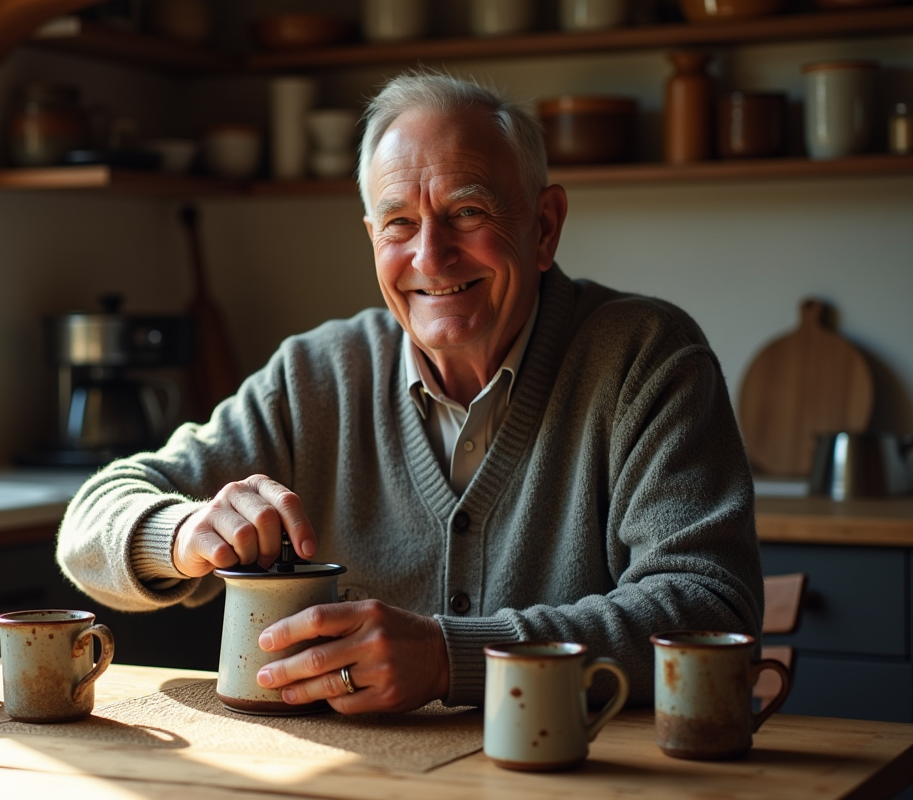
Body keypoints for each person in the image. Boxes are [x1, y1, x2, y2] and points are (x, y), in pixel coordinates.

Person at [57, 71, 763, 715]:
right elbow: (90, 523)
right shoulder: (318, 373)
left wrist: (452, 659)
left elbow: (708, 609)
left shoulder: (646, 356)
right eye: (399, 222)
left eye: (467, 212)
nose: (430, 256)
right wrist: (183, 533)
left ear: (544, 227)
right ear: (372, 238)